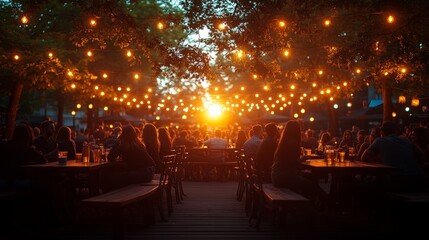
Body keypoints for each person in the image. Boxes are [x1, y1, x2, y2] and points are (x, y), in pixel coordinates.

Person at [271, 120, 327, 206]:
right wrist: (303, 159)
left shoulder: (284, 141)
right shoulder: (293, 142)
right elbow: (292, 163)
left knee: (309, 180)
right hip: (284, 176)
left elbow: (288, 161)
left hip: (276, 175)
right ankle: (308, 206)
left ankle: (313, 204)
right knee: (310, 185)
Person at [361, 121, 426, 192]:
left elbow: (364, 158)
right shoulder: (407, 141)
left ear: (381, 132)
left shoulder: (380, 140)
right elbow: (422, 157)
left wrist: (380, 160)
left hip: (396, 181)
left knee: (364, 185)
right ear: (395, 131)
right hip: (418, 180)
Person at [106, 125, 156, 191]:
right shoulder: (139, 144)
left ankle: (114, 196)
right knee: (119, 175)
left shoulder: (124, 146)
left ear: (123, 135)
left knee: (111, 178)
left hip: (143, 173)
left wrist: (118, 141)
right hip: (149, 172)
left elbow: (110, 157)